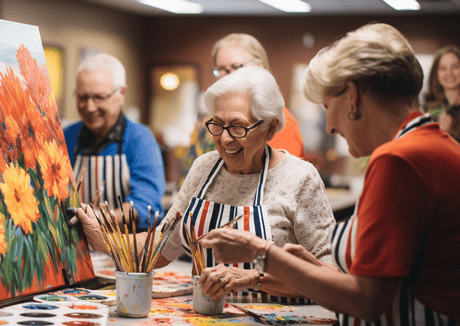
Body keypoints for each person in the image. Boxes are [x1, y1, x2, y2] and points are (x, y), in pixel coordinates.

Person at [197, 24, 460, 326]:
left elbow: (366, 301)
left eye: (325, 106)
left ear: (352, 96)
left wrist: (261, 251)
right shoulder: (438, 144)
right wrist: (312, 269)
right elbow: (395, 275)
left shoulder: (398, 160)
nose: (331, 126)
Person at [76, 65, 336, 303]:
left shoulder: (300, 178)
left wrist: (258, 279)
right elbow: (161, 246)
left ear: (270, 127)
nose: (224, 139)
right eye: (217, 125)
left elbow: (329, 277)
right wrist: (103, 238)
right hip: (208, 323)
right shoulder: (205, 167)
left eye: (237, 127)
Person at [64, 53, 165, 230]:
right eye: (82, 97)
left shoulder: (140, 140)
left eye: (98, 97)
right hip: (76, 248)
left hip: (125, 247)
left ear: (121, 94)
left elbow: (144, 204)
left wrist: (99, 219)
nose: (89, 107)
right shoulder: (67, 136)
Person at [187, 33, 305, 166]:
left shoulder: (274, 121)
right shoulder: (209, 120)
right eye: (220, 69)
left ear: (259, 67)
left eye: (236, 67)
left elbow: (279, 177)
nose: (226, 76)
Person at [423, 45, 460, 121]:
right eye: (443, 68)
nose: (449, 73)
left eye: (455, 67)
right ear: (436, 73)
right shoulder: (426, 110)